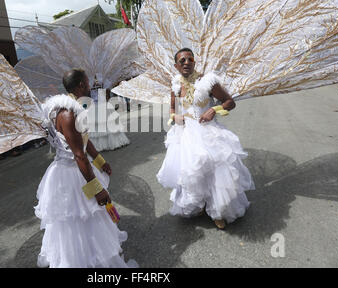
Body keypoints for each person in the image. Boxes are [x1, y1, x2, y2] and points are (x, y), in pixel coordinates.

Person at [35, 68, 136, 267]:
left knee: (84, 219)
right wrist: (97, 189)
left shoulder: (71, 108)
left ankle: (91, 254)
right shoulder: (68, 113)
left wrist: (100, 161)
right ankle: (86, 260)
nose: (91, 86)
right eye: (88, 83)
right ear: (81, 85)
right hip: (72, 173)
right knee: (83, 216)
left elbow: (83, 141)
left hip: (75, 168)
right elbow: (78, 154)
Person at [156, 48, 255, 229]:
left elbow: (230, 102)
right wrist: (174, 117)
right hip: (185, 134)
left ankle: (218, 211)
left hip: (207, 131)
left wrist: (214, 110)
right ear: (176, 66)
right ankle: (199, 205)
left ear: (194, 62)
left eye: (190, 59)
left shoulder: (207, 81)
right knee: (190, 172)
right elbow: (173, 109)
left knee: (215, 170)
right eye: (182, 60)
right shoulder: (176, 85)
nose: (186, 62)